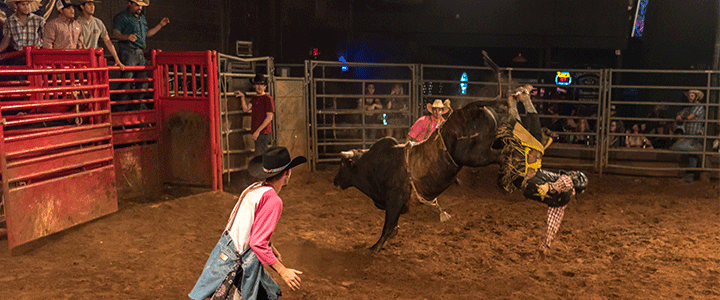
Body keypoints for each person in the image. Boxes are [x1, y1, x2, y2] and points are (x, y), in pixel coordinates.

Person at [189, 147, 306, 300]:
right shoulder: (273, 200)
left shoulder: (254, 188)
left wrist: (270, 246)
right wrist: (283, 271)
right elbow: (257, 242)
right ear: (287, 173)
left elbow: (249, 226)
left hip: (226, 249)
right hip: (238, 259)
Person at [498, 85, 588, 258]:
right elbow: (554, 223)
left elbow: (563, 183)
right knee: (526, 134)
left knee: (527, 133)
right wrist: (545, 243)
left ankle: (520, 99)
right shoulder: (562, 202)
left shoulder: (567, 186)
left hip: (524, 173)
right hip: (525, 173)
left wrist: (550, 188)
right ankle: (517, 100)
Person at [112, 0, 169, 110]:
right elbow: (115, 34)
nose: (140, 8)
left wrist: (160, 25)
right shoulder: (122, 17)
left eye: (141, 6)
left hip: (139, 52)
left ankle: (135, 106)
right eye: (137, 5)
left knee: (142, 82)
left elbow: (146, 34)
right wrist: (127, 37)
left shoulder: (141, 18)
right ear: (130, 3)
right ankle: (121, 108)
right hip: (128, 50)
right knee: (127, 80)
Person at [76, 0, 125, 70]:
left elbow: (107, 41)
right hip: (82, 60)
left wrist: (117, 59)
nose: (92, 7)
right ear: (82, 6)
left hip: (95, 59)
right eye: (89, 4)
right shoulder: (77, 24)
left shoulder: (98, 22)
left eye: (93, 4)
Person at [670, 89, 705, 182]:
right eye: (689, 95)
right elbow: (680, 115)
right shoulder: (688, 108)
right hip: (689, 134)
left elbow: (689, 117)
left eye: (692, 95)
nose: (690, 97)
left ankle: (690, 175)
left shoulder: (699, 106)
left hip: (696, 133)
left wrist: (681, 117)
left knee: (693, 154)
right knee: (691, 154)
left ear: (696, 97)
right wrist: (679, 116)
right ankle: (692, 174)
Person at [235, 74, 274, 157]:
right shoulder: (254, 98)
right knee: (260, 156)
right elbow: (246, 109)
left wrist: (258, 131)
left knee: (260, 156)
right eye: (257, 84)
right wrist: (242, 97)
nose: (259, 87)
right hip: (258, 132)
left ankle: (262, 170)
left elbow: (269, 117)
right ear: (254, 86)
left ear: (265, 87)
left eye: (261, 85)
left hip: (263, 133)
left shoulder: (268, 99)